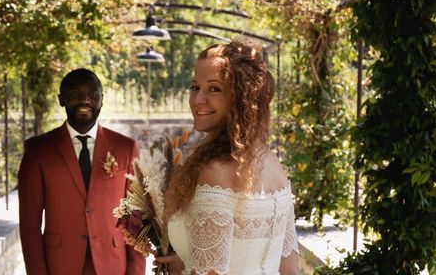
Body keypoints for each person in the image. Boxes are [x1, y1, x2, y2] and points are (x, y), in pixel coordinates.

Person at [156, 40, 299, 275]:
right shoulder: (272, 163)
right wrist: (185, 262)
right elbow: (289, 269)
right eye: (195, 87)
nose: (198, 99)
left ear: (241, 98)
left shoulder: (215, 174)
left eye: (214, 88)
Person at [18, 68, 146, 275]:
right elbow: (29, 226)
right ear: (61, 99)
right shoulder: (38, 150)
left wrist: (136, 272)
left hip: (112, 265)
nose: (84, 100)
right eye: (74, 94)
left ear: (102, 100)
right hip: (59, 265)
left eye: (93, 94)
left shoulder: (126, 148)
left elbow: (135, 219)